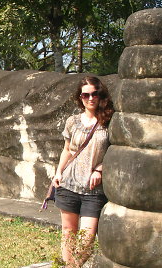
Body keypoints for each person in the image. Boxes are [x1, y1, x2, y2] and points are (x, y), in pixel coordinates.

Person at [52, 76, 114, 267]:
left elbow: (114, 150)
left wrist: (100, 169)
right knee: (68, 232)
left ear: (100, 94)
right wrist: (58, 172)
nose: (90, 98)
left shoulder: (109, 121)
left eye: (94, 93)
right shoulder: (72, 121)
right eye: (85, 94)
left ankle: (73, 266)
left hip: (93, 190)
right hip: (68, 184)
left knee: (87, 237)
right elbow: (67, 150)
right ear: (80, 97)